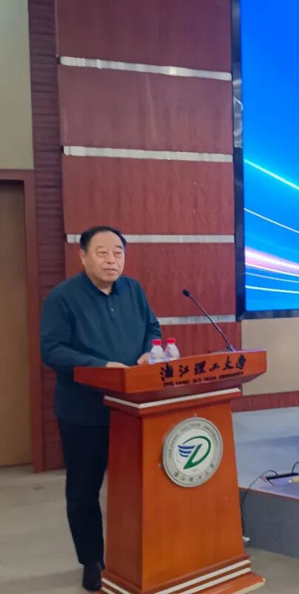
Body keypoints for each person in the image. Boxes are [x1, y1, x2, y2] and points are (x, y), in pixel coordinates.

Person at [40, 226, 161, 591]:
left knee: (137, 485)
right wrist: (102, 366)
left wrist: (150, 351)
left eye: (118, 253)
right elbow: (53, 351)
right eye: (102, 252)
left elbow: (152, 328)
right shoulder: (63, 297)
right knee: (83, 490)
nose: (112, 260)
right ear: (83, 257)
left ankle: (137, 553)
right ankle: (91, 560)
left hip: (133, 408)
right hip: (84, 412)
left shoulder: (133, 290)